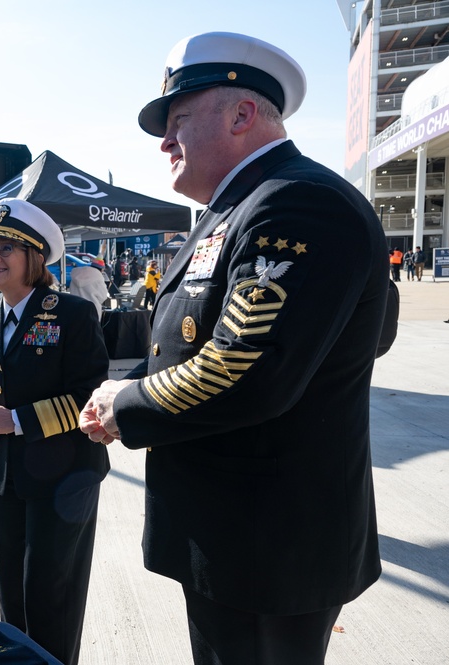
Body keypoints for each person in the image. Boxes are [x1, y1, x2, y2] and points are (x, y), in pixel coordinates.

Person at [79, 32, 387, 665]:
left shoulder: (297, 205)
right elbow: (184, 342)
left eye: (179, 120)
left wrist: (126, 404)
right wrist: (126, 384)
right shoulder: (239, 210)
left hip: (270, 544)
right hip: (233, 533)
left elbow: (244, 368)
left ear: (242, 115)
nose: (164, 142)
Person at [0, 198, 110, 665]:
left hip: (63, 481)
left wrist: (18, 418)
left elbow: (90, 397)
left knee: (51, 601)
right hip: (5, 476)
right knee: (12, 599)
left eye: (7, 247)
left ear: (35, 257)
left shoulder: (71, 314)